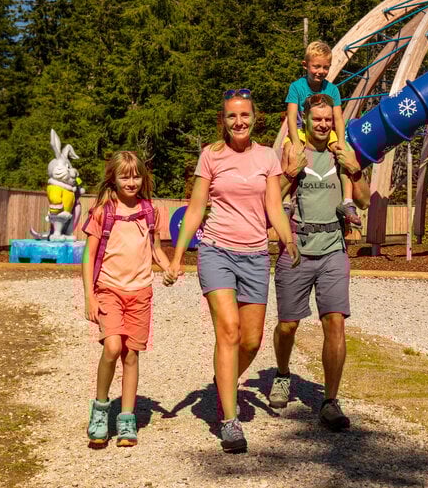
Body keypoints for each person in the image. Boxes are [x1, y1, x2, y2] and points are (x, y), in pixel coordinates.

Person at [165, 89, 298, 454]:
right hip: (216, 251)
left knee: (251, 341)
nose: (238, 121)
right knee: (229, 330)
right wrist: (178, 257)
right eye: (231, 116)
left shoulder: (267, 157)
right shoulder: (211, 155)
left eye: (244, 115)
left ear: (255, 118)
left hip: (256, 255)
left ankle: (223, 378)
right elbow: (195, 210)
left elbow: (274, 205)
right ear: (223, 120)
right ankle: (229, 420)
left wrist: (288, 240)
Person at [270, 93, 369, 431]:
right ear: (306, 122)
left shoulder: (343, 153)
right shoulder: (294, 151)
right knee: (288, 325)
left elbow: (365, 200)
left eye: (328, 119)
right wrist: (290, 172)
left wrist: (355, 172)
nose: (323, 124)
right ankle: (282, 374)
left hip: (333, 249)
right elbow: (271, 197)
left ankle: (330, 400)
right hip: (296, 249)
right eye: (317, 119)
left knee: (335, 323)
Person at [81, 151, 171, 448]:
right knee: (113, 346)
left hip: (141, 292)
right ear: (114, 179)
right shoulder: (102, 211)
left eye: (136, 176)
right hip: (109, 289)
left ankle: (127, 418)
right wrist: (89, 297)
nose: (131, 182)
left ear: (143, 177)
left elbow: (156, 249)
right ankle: (100, 409)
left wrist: (168, 267)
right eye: (125, 176)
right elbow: (89, 256)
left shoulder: (150, 211)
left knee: (131, 355)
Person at [283, 40, 361, 232]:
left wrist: (341, 142)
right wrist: (295, 141)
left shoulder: (331, 89)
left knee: (346, 154)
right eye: (316, 66)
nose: (321, 71)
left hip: (327, 131)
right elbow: (291, 118)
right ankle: (286, 202)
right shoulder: (297, 87)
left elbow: (338, 119)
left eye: (325, 67)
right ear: (306, 65)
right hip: (302, 130)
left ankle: (348, 201)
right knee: (289, 151)